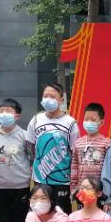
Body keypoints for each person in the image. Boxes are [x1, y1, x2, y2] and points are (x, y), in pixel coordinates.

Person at [27, 82, 79, 213]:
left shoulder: (70, 123)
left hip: (62, 179)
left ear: (61, 100)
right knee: (40, 211)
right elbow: (30, 145)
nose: (48, 99)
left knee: (61, 213)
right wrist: (34, 164)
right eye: (45, 96)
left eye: (52, 96)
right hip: (40, 178)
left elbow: (74, 151)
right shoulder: (36, 120)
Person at [0, 98, 32, 222]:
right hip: (1, 185)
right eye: (1, 111)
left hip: (21, 185)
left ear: (17, 115)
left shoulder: (24, 135)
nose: (4, 114)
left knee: (21, 219)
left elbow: (31, 156)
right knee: (4, 218)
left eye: (8, 111)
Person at [69, 102, 111, 209]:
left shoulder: (107, 143)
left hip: (99, 192)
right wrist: (74, 189)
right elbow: (74, 167)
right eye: (86, 119)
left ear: (101, 122)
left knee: (99, 218)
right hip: (82, 191)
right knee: (83, 216)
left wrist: (107, 193)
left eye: (93, 120)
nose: (89, 122)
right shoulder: (78, 143)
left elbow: (109, 170)